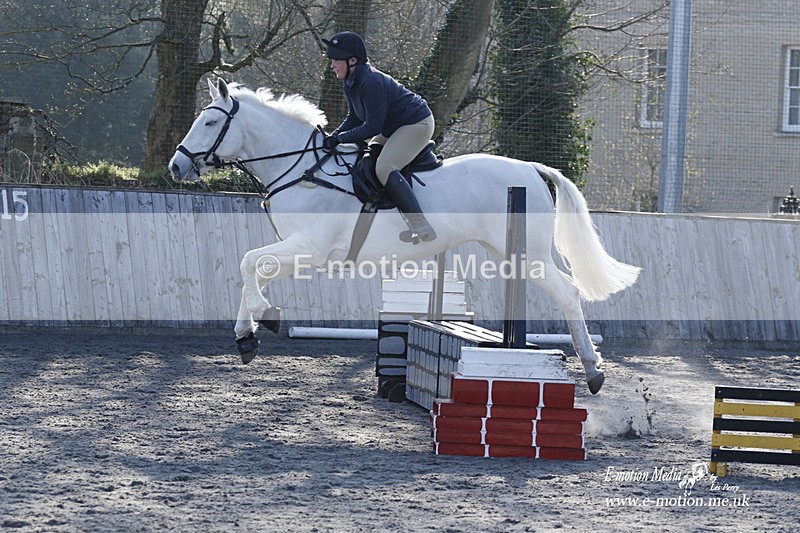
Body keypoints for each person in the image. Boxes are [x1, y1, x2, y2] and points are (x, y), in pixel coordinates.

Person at [321, 31, 436, 243]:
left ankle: (421, 225)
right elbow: (355, 117)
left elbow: (371, 127)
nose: (332, 65)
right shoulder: (351, 80)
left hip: (416, 123)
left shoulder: (370, 82)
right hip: (393, 126)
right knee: (368, 157)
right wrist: (334, 136)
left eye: (336, 60)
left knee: (385, 167)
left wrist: (341, 139)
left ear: (352, 61)